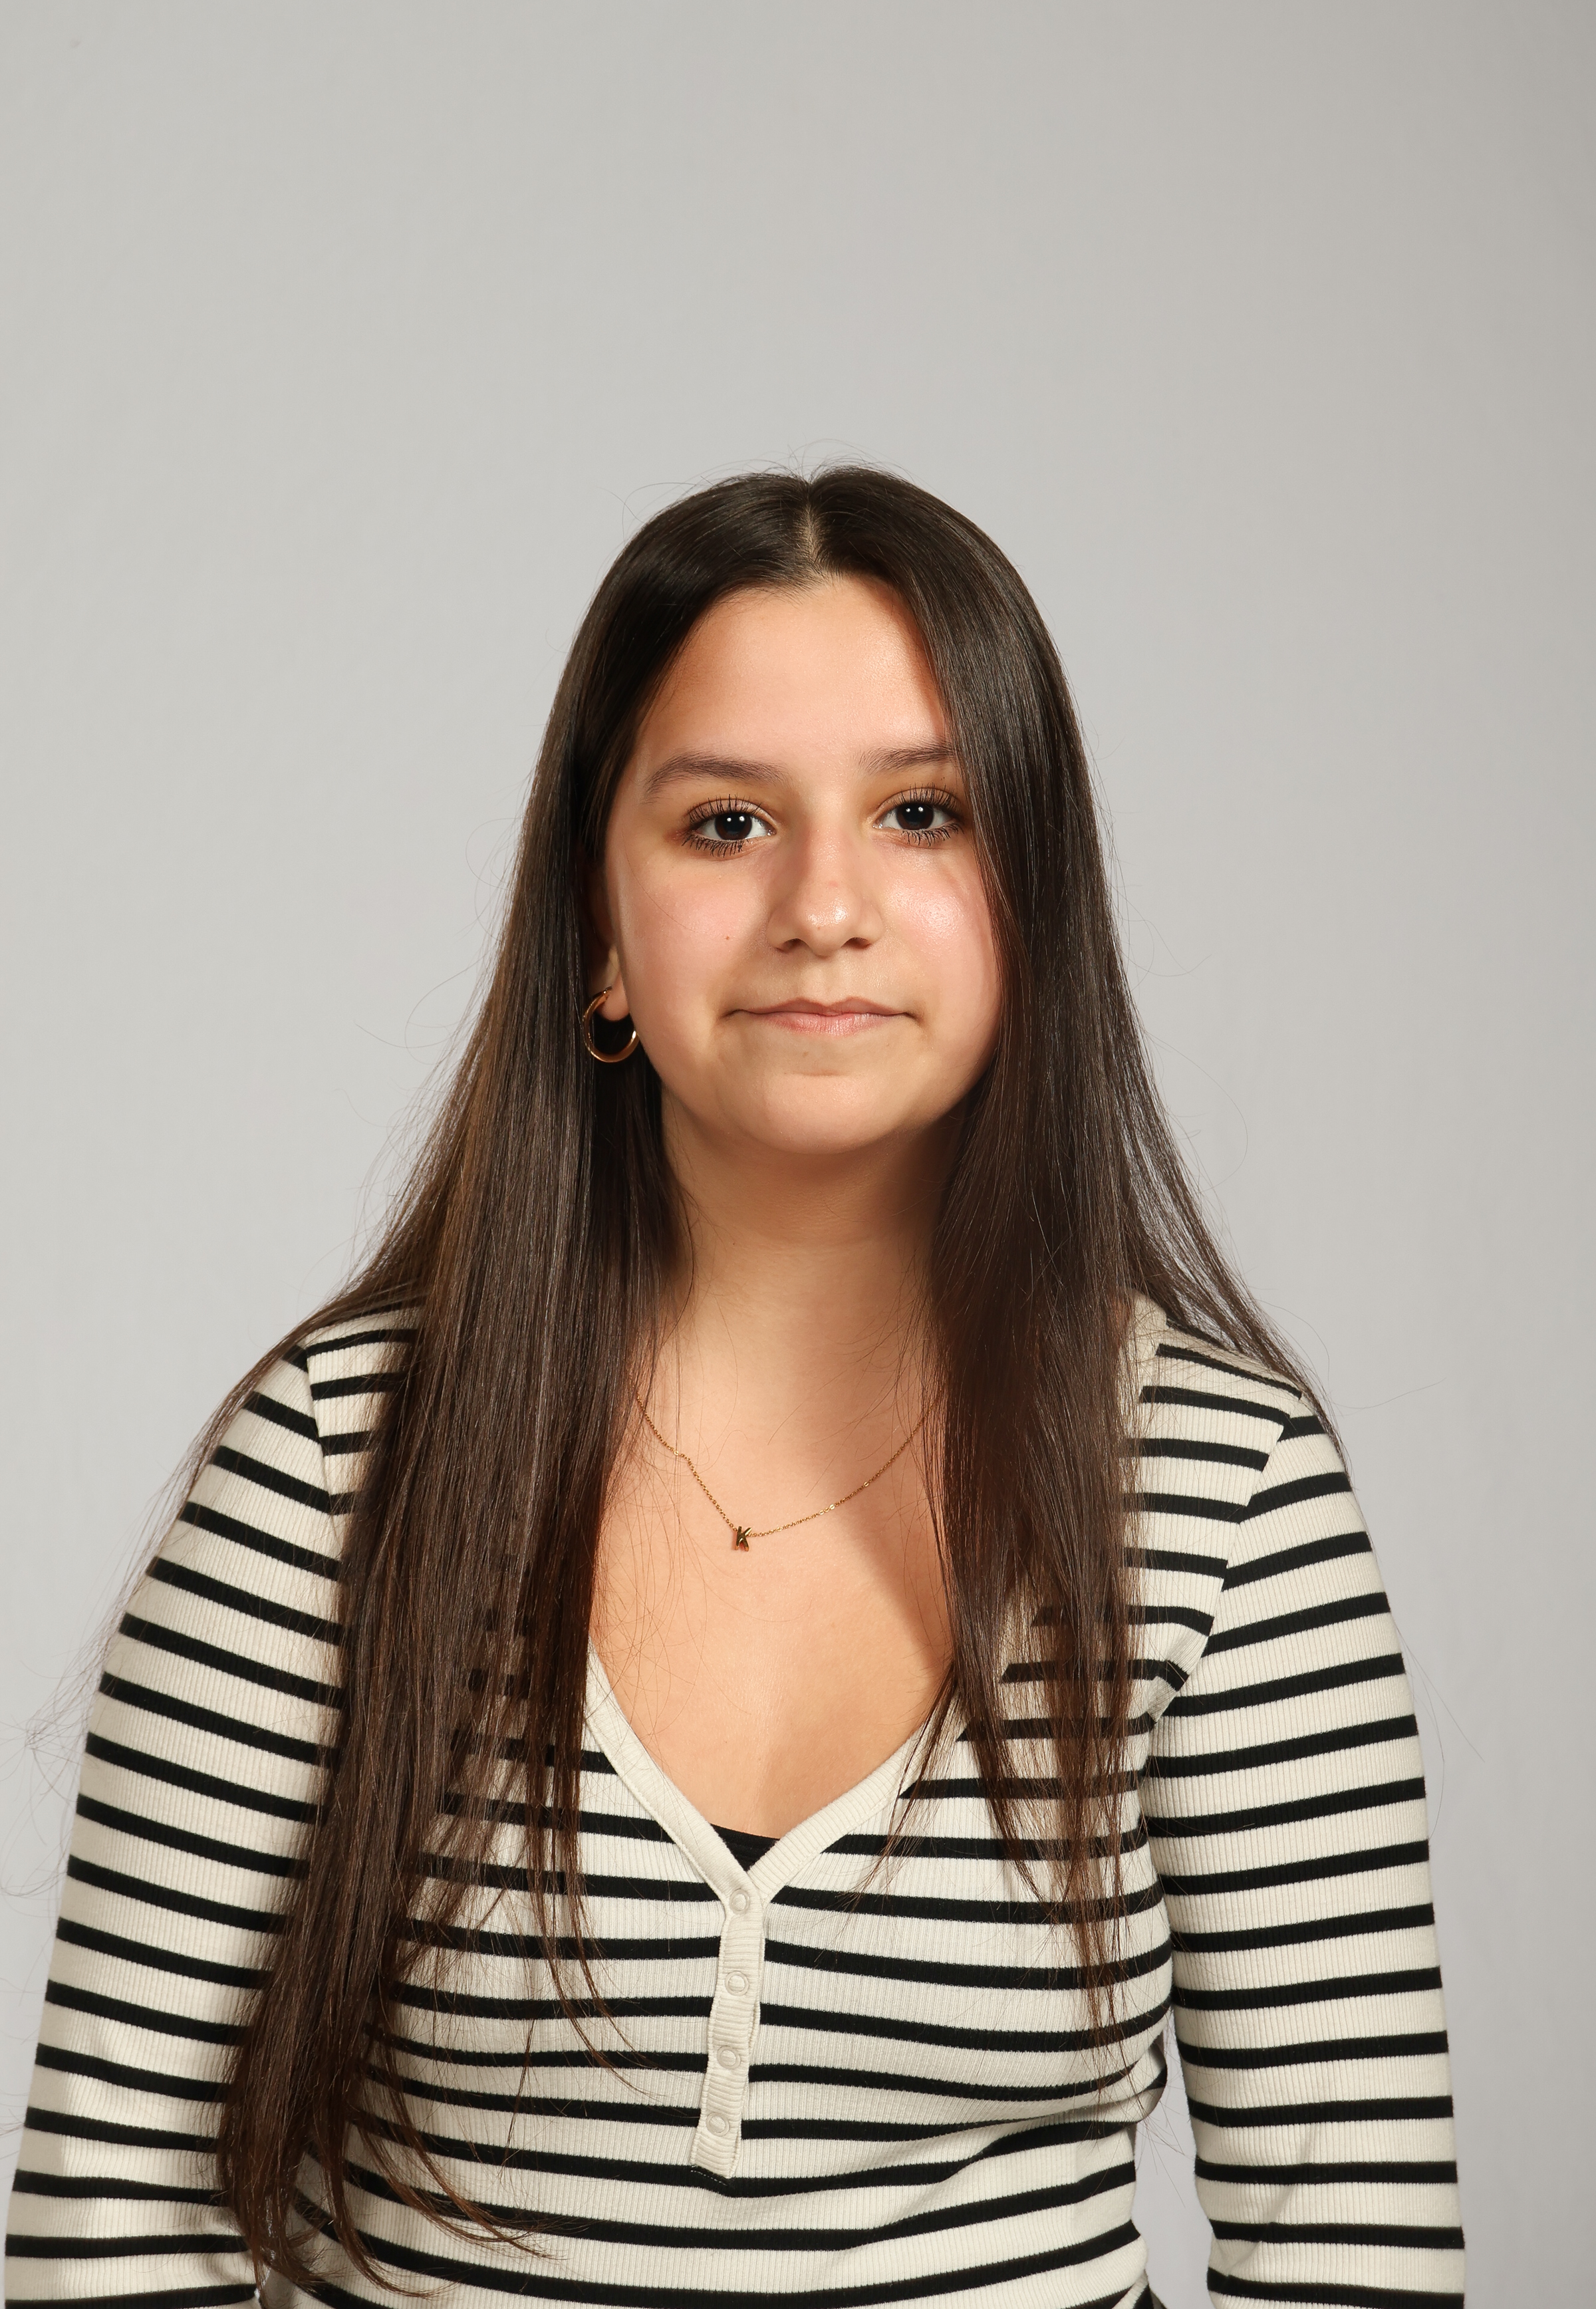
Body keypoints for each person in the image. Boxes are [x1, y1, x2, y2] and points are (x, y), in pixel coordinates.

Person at [5, 470, 1464, 2309]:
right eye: (726, 823)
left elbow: (1354, 2249)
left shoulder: (1221, 1492)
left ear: (1033, 900)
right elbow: (111, 2222)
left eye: (922, 812)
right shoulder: (334, 1465)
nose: (823, 905)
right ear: (601, 930)